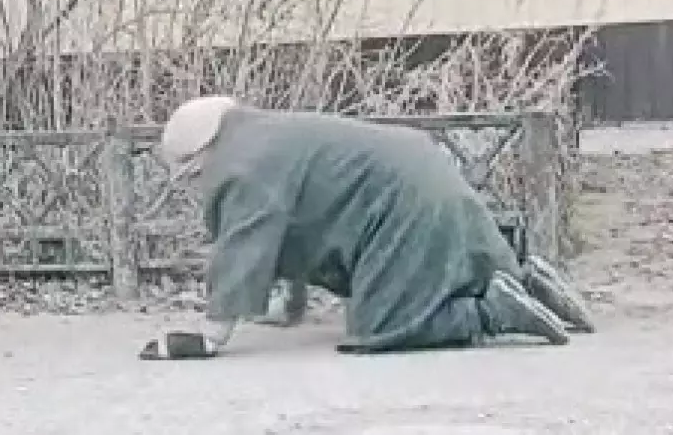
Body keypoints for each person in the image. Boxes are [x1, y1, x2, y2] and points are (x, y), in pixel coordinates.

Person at [140, 96, 595, 360]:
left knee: (382, 326)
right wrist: (289, 307)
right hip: (420, 173)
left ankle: (493, 311)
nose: (196, 188)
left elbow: (244, 245)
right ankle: (526, 279)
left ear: (199, 158)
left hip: (400, 206)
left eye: (191, 178)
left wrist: (210, 337)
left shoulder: (241, 166)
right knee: (437, 268)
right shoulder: (266, 135)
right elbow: (288, 230)